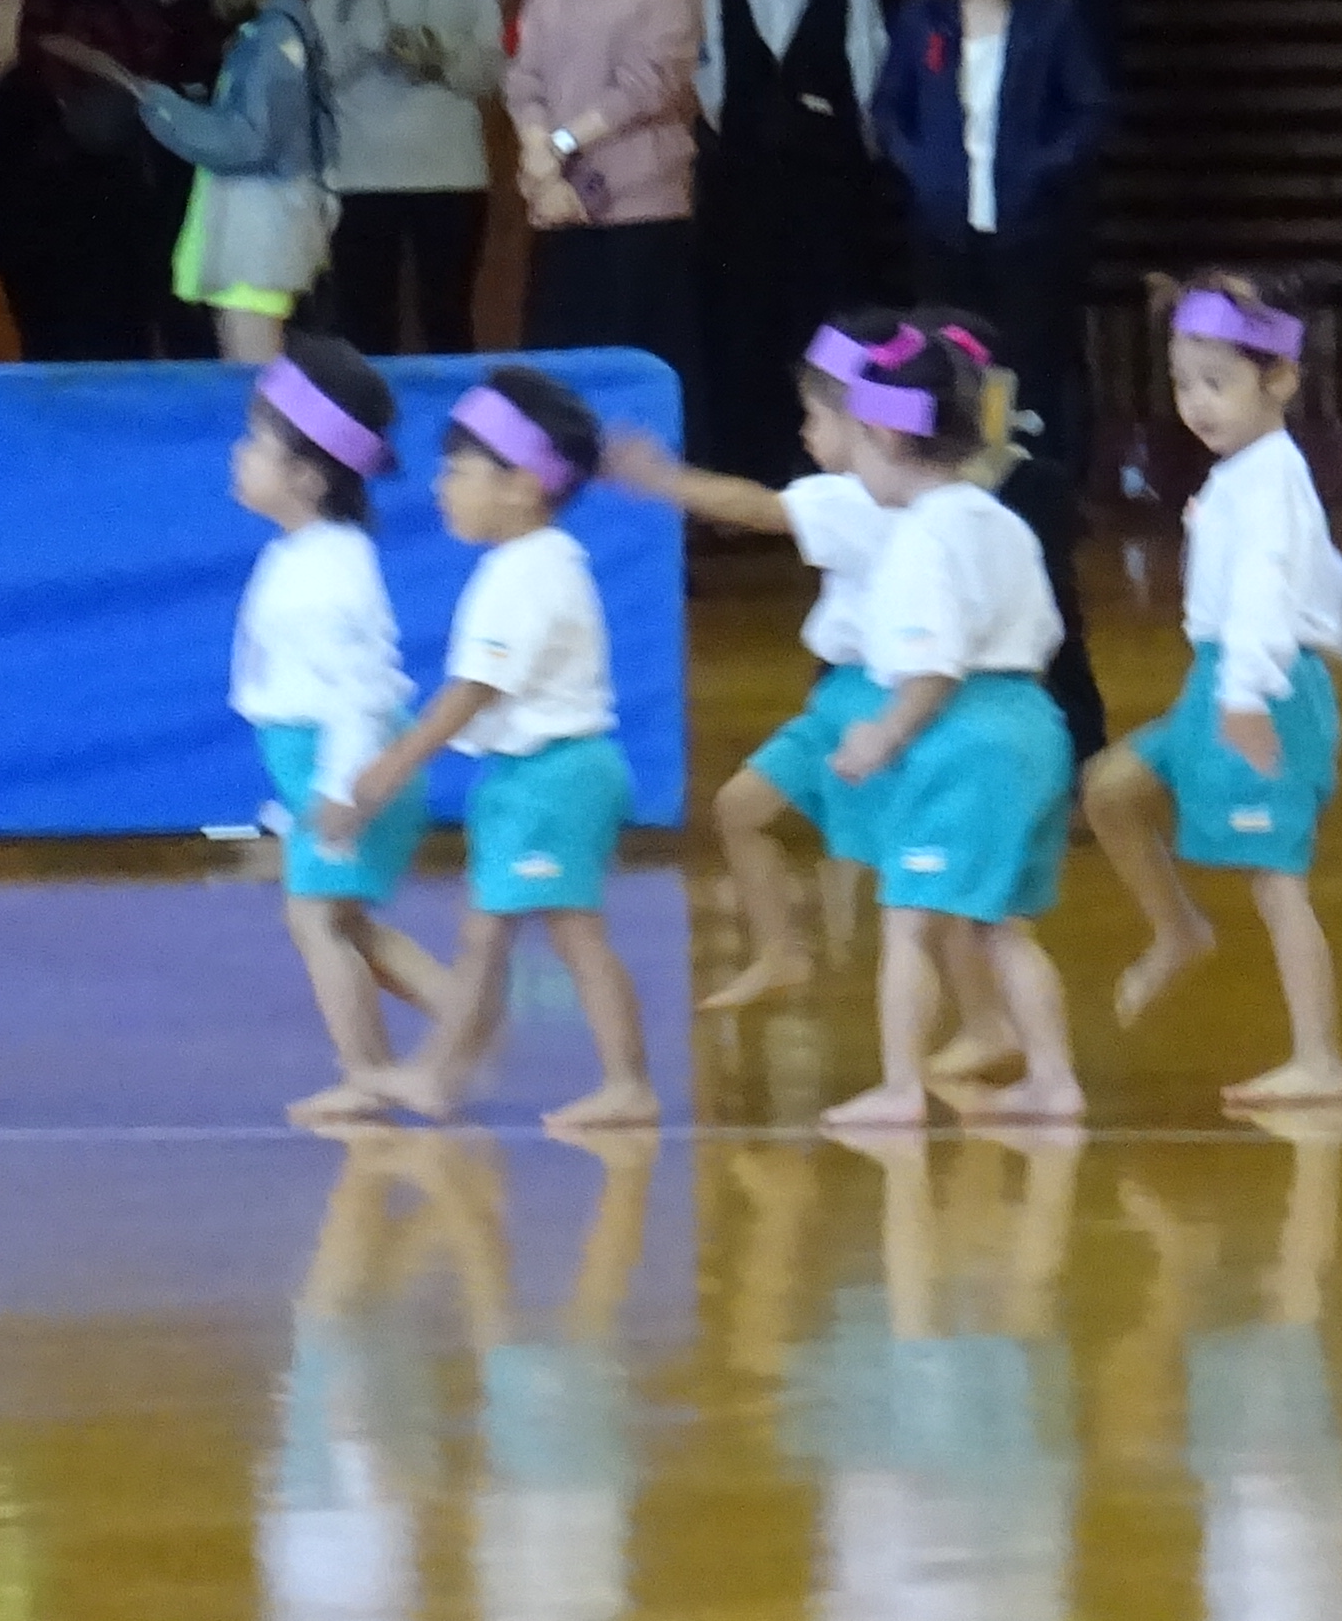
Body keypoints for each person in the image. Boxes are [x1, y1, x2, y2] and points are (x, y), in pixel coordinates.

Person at [1084, 271, 1342, 1111]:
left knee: (1276, 879)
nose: (1197, 403)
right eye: (1184, 383)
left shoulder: (1273, 482)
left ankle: (1320, 1058)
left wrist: (1248, 696)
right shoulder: (1246, 476)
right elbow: (1327, 583)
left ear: (1281, 380)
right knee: (1110, 790)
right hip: (1219, 685)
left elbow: (1272, 594)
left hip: (1265, 691)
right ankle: (1179, 931)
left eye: (1216, 382)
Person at [315, 366, 658, 1135]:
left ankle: (625, 1083)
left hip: (553, 777)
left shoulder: (528, 573)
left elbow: (473, 690)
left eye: (459, 471)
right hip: (533, 777)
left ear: (524, 486)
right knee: (490, 935)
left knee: (564, 935)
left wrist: (391, 765)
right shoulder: (527, 564)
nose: (442, 486)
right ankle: (444, 1075)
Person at [808, 316, 1089, 1138]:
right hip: (1034, 722)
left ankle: (901, 1086)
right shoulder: (997, 518)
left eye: (856, 439)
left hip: (965, 735)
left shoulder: (920, 540)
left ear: (890, 437)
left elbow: (932, 667)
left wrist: (882, 735)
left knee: (908, 919)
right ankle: (1053, 1079)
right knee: (1000, 925)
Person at [868, 0, 1116, 757]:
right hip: (944, 232)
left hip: (1027, 236)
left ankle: (1027, 513)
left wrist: (1041, 172)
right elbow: (888, 108)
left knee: (1026, 382)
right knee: (947, 376)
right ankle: (953, 506)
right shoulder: (924, 13)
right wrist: (921, 169)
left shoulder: (1054, 14)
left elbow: (1091, 112)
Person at [602, 334, 899, 1010]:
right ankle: (781, 955)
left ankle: (966, 1006)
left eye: (815, 417)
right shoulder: (857, 497)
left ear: (864, 425)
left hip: (881, 703)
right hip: (840, 698)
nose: (804, 432)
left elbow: (759, 507)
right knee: (741, 808)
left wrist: (662, 480)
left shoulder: (855, 502)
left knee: (901, 876)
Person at [226, 338, 463, 1107]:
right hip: (320, 767)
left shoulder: (331, 571)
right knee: (344, 922)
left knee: (317, 920)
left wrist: (340, 786)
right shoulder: (309, 553)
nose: (239, 453)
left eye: (257, 441)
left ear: (307, 475)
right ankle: (464, 1020)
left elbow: (359, 692)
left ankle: (368, 1074)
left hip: (347, 766)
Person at [61, 0, 325, 366]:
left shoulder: (270, 41)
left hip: (257, 237)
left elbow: (246, 140)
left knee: (249, 377)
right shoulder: (272, 33)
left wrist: (161, 106)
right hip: (263, 229)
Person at [0, 0, 217, 362]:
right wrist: (101, 81)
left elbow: (214, 41)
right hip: (93, 170)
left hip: (183, 161)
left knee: (189, 320)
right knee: (108, 324)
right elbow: (39, 37)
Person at [695, 0, 889, 481]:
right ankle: (752, 473)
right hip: (743, 193)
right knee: (745, 328)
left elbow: (869, 88)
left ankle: (839, 469)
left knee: (830, 325)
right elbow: (708, 93)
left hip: (828, 194)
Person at [500, 0, 700, 380]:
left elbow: (650, 81)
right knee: (558, 376)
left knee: (629, 376)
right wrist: (539, 156)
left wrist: (562, 143)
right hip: (559, 207)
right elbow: (524, 78)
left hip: (640, 210)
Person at [308, 0, 505, 355]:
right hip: (361, 173)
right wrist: (369, 45)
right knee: (364, 324)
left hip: (450, 173)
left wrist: (439, 58)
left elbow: (492, 70)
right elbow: (317, 65)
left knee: (447, 319)